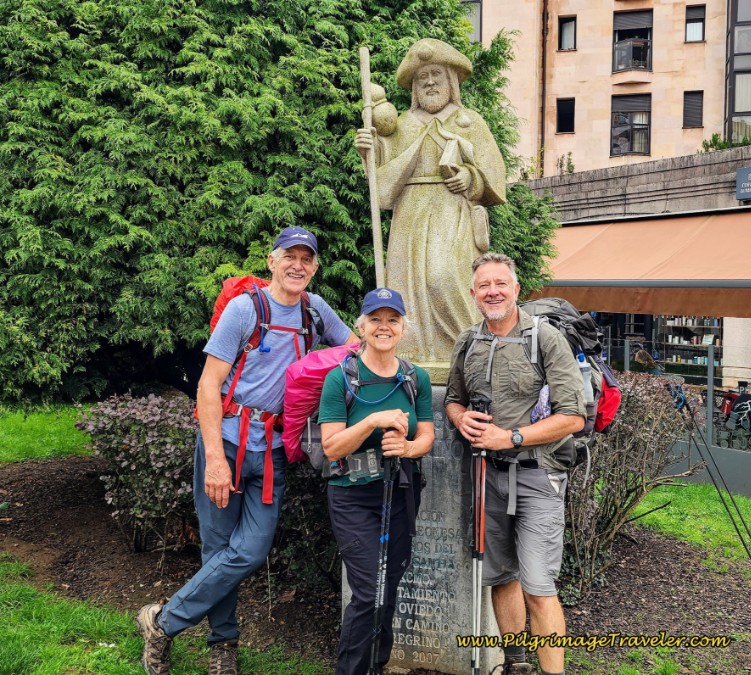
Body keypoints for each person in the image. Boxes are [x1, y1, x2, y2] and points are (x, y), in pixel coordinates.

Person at [137, 227, 355, 675]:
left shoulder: (315, 311)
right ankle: (223, 647)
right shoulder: (244, 309)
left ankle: (162, 620)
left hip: (273, 447)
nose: (297, 265)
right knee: (218, 548)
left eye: (306, 259)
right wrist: (214, 458)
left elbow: (355, 348)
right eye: (289, 256)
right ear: (272, 261)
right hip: (229, 441)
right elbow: (208, 385)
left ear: (314, 268)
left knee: (251, 550)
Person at [445, 253, 586, 675]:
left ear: (516, 289)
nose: (492, 291)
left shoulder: (545, 339)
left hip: (537, 476)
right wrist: (460, 417)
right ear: (473, 294)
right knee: (501, 577)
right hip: (486, 478)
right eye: (484, 285)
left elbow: (573, 417)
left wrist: (511, 437)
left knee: (540, 588)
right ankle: (515, 665)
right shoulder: (467, 342)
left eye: (500, 283)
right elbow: (454, 399)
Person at [355, 38, 506, 364]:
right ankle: (409, 353)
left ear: (451, 80)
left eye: (436, 74)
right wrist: (369, 149)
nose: (430, 83)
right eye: (422, 78)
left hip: (450, 213)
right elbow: (379, 181)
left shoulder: (469, 122)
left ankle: (472, 353)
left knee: (444, 278)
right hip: (409, 215)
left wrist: (471, 178)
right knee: (406, 288)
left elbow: (493, 177)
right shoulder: (401, 126)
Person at [318, 288, 435, 675]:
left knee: (388, 588)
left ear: (403, 328)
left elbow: (427, 438)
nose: (384, 327)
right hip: (353, 496)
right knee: (369, 591)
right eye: (376, 319)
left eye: (392, 320)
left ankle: (377, 664)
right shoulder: (341, 379)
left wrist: (406, 446)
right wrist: (372, 421)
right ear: (362, 325)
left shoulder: (414, 377)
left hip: (400, 492)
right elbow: (332, 447)